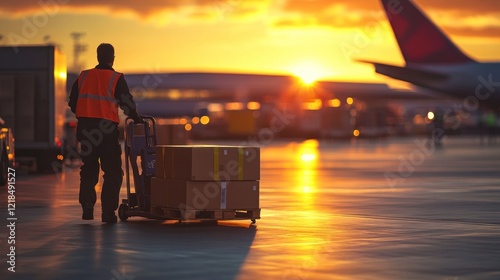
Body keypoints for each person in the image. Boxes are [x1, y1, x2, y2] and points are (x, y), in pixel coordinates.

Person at [68, 43, 143, 223]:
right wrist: (136, 117)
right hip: (107, 131)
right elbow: (127, 104)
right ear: (113, 58)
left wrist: (87, 113)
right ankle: (108, 213)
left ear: (97, 56)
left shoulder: (83, 76)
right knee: (113, 172)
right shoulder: (116, 78)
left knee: (88, 169)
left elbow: (72, 103)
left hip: (85, 131)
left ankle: (87, 206)